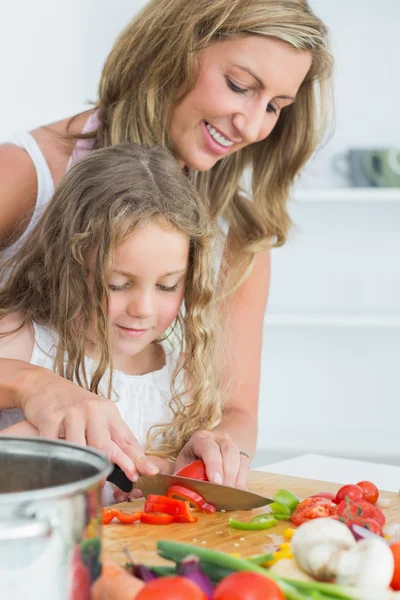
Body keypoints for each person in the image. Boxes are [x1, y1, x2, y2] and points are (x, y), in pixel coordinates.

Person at [0, 0, 333, 487]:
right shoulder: (25, 175)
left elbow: (236, 410)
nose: (253, 125)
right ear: (172, 51)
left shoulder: (235, 236)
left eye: (275, 107)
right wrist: (33, 384)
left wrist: (218, 445)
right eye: (240, 86)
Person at [0, 142, 224, 503]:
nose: (143, 309)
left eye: (168, 285)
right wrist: (26, 444)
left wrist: (167, 472)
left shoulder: (179, 374)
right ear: (67, 266)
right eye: (117, 284)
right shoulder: (20, 341)